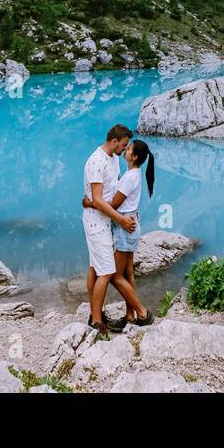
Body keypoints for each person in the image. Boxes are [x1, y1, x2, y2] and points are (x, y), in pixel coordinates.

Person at [82, 124, 137, 334]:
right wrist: (121, 220)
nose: (124, 150)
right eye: (123, 146)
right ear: (114, 141)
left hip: (107, 220)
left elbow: (110, 193)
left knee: (95, 267)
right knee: (106, 271)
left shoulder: (113, 159)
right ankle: (97, 322)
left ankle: (95, 313)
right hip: (96, 222)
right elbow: (97, 199)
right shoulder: (96, 161)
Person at [104, 138, 155, 325]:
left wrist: (94, 203)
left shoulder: (130, 177)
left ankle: (142, 313)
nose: (125, 149)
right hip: (130, 223)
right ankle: (129, 316)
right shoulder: (134, 173)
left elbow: (115, 204)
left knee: (114, 277)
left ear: (133, 157)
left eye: (129, 149)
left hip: (125, 227)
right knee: (127, 274)